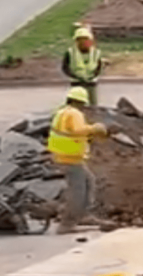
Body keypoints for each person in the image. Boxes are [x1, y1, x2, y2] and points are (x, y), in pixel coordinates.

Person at [47, 87, 117, 234]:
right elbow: (78, 130)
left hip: (66, 156)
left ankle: (84, 215)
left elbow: (70, 132)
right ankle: (67, 224)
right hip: (70, 158)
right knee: (78, 191)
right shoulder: (74, 114)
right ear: (81, 102)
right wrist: (96, 128)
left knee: (89, 181)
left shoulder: (62, 112)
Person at [61, 27, 106, 106]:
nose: (83, 42)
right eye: (80, 40)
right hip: (76, 82)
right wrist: (75, 76)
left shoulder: (96, 53)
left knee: (92, 106)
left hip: (91, 83)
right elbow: (65, 67)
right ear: (76, 41)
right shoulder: (70, 52)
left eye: (85, 39)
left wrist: (92, 76)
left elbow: (99, 66)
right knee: (75, 104)